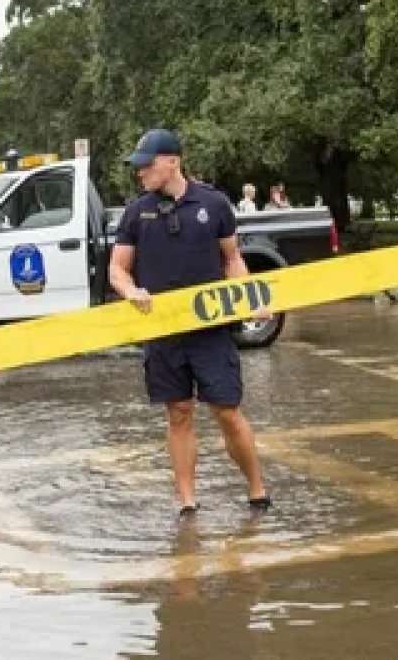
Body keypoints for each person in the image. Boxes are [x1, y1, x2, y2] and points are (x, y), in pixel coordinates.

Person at [109, 128, 272, 517]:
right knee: (178, 412)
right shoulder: (136, 213)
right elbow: (117, 269)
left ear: (172, 162)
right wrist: (130, 291)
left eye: (147, 165)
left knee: (227, 410)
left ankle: (257, 489)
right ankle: (187, 502)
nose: (140, 173)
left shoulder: (214, 205)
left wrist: (253, 297)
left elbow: (232, 260)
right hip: (164, 333)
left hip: (211, 330)